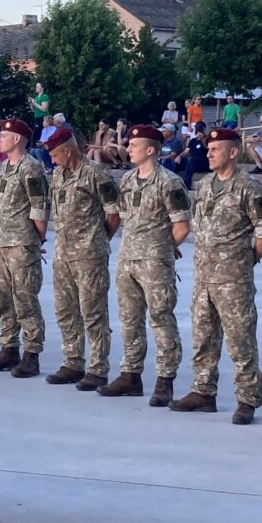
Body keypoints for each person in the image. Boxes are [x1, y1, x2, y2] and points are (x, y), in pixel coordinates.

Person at [171, 127, 262, 423]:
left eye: (215, 149)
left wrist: (246, 260)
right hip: (203, 276)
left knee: (240, 340)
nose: (209, 153)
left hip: (234, 279)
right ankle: (203, 391)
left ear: (233, 152)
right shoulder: (204, 185)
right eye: (209, 149)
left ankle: (247, 399)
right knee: (203, 337)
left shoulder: (249, 187)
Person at [100, 123, 190, 401]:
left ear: (150, 149)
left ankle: (165, 379)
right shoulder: (127, 180)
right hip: (128, 259)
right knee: (129, 319)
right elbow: (123, 217)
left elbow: (182, 226)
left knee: (161, 318)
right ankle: (130, 374)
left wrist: (165, 249)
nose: (128, 148)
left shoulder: (169, 182)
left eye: (133, 145)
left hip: (154, 262)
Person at [41, 126, 121, 391]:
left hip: (89, 256)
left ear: (67, 150)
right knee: (66, 310)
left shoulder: (96, 174)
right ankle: (72, 362)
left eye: (55, 155)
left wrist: (97, 242)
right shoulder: (58, 175)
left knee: (93, 312)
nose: (52, 160)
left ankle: (98, 369)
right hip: (63, 254)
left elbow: (113, 214)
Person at [0, 118, 49, 375]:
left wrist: (36, 241)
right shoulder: (5, 168)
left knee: (25, 299)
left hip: (22, 243)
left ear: (17, 139)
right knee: (4, 299)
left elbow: (39, 209)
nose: (0, 140)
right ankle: (8, 347)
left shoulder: (30, 168)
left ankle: (32, 352)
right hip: (3, 242)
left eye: (5, 136)